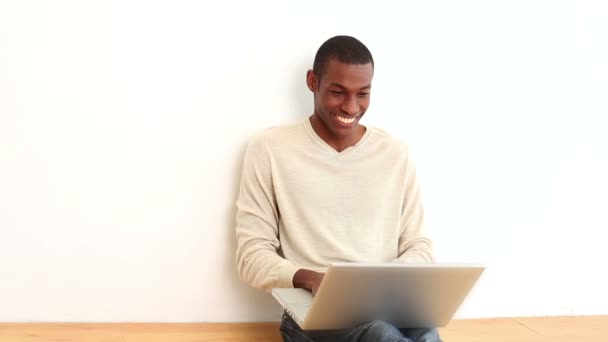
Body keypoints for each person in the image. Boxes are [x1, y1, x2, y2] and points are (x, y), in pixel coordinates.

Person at [235, 35, 442, 342]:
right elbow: (251, 255)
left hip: (384, 306)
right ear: (312, 81)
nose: (351, 106)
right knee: (381, 334)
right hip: (312, 317)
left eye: (363, 94)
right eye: (337, 92)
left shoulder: (395, 153)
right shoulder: (269, 149)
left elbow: (420, 245)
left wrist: (383, 285)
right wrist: (314, 281)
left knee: (424, 330)